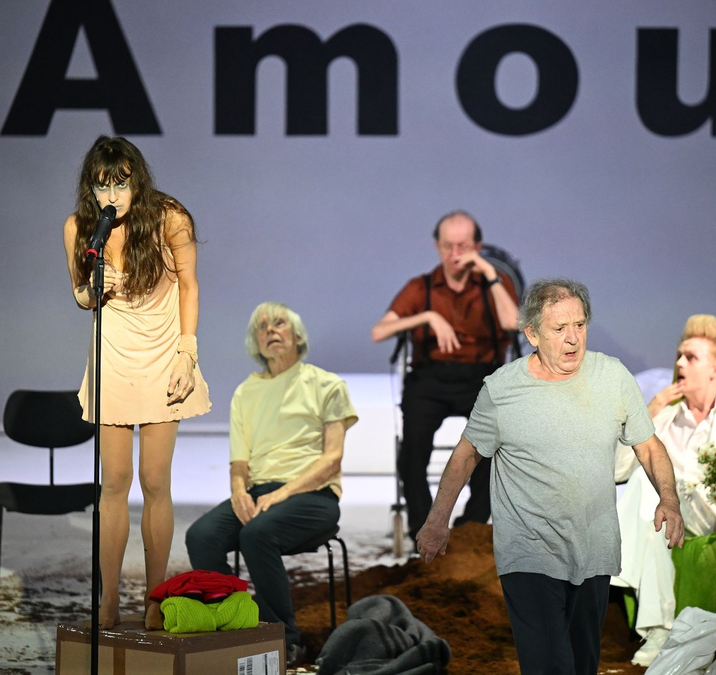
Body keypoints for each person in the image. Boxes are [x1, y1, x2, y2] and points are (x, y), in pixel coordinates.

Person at [417, 279, 684, 675]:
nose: (573, 338)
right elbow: (467, 454)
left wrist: (669, 499)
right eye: (560, 328)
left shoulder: (612, 377)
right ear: (532, 334)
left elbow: (648, 445)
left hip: (593, 549)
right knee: (550, 666)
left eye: (580, 325)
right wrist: (437, 520)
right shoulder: (503, 389)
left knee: (581, 664)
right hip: (529, 550)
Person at [63, 136, 211, 630]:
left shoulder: (170, 218)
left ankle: (154, 597)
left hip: (164, 354)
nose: (112, 196)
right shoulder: (81, 228)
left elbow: (189, 285)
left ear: (137, 181)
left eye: (121, 185)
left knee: (154, 481)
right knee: (113, 483)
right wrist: (91, 290)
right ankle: (108, 600)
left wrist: (188, 353)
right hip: (113, 358)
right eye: (103, 186)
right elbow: (79, 294)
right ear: (91, 188)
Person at [185, 302, 357, 665]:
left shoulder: (327, 384)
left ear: (297, 335)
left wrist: (282, 494)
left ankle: (284, 639)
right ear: (256, 342)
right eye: (261, 327)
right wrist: (238, 493)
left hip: (313, 496)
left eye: (279, 323)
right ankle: (238, 623)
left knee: (256, 534)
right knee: (201, 536)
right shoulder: (246, 392)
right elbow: (239, 462)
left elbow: (332, 459)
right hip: (260, 493)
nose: (270, 331)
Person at [613, 315, 716, 665]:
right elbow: (618, 470)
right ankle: (660, 629)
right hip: (665, 513)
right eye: (679, 356)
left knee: (650, 488)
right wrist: (650, 410)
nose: (679, 364)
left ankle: (658, 628)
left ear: (715, 370)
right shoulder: (666, 418)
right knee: (645, 487)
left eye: (690, 357)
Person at [371, 210, 519, 545]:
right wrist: (427, 317)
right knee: (412, 450)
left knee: (491, 447)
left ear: (477, 247)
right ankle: (425, 532)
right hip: (431, 378)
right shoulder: (421, 287)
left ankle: (468, 530)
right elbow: (379, 331)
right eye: (447, 247)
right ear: (437, 247)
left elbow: (514, 323)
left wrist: (489, 273)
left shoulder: (493, 284)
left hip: (481, 377)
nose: (454, 255)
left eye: (462, 247)